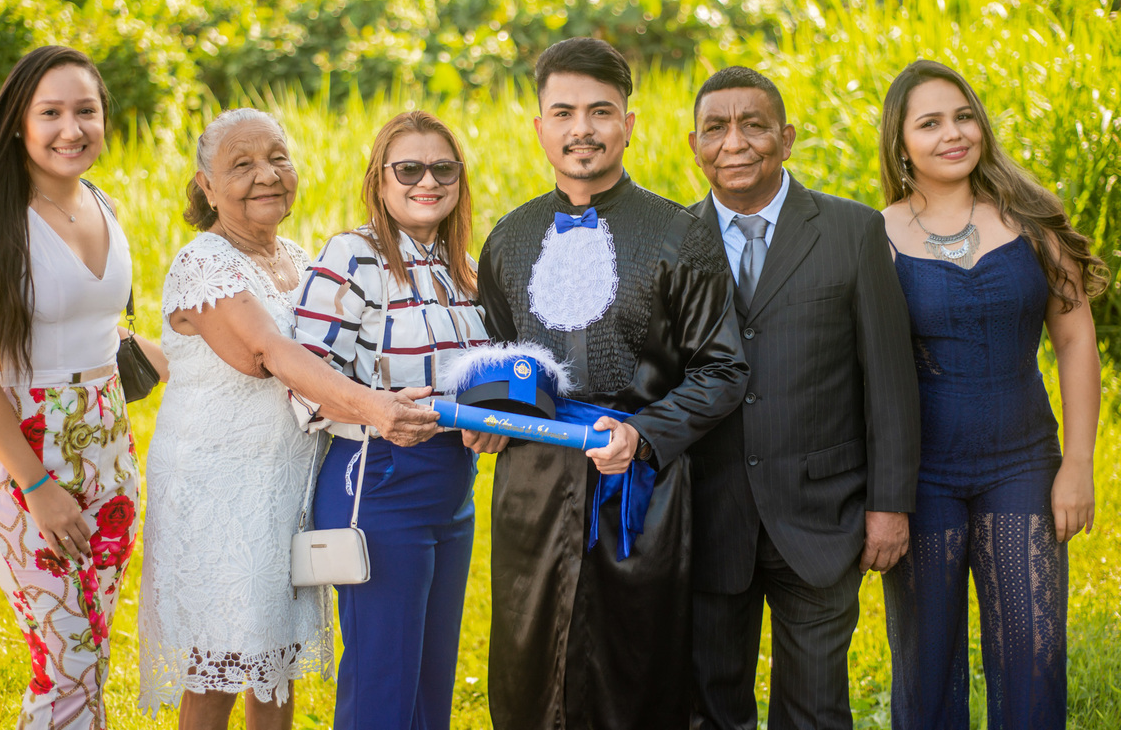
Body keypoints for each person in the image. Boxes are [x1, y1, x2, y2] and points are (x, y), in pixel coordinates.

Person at [464, 37, 749, 729]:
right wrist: (485, 412)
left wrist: (643, 434)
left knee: (637, 663)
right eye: (562, 112)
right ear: (539, 126)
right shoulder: (509, 237)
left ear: (628, 123)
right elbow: (501, 352)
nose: (581, 129)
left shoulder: (681, 234)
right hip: (530, 487)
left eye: (600, 111)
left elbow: (723, 367)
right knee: (527, 660)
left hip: (641, 488)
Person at [136, 108, 439, 729]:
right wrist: (374, 408)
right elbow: (267, 354)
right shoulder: (204, 262)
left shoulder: (299, 259)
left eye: (277, 157)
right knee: (219, 665)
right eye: (241, 165)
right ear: (206, 185)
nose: (266, 175)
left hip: (287, 484)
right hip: (217, 487)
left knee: (277, 663)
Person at [687, 66, 921, 729]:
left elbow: (890, 379)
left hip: (824, 516)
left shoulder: (852, 232)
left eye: (753, 125)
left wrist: (889, 504)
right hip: (711, 518)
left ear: (785, 139)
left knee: (816, 709)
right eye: (715, 128)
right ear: (695, 146)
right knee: (710, 702)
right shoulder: (674, 242)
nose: (734, 142)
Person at [877, 60, 1107, 729]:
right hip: (923, 479)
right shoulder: (876, 236)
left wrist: (1079, 461)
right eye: (931, 122)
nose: (954, 133)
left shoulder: (1031, 221)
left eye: (964, 115)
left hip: (1023, 467)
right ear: (901, 142)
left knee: (1033, 658)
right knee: (925, 670)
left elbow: (1074, 341)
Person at [0, 45, 167, 728]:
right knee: (63, 669)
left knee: (89, 664)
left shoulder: (101, 202)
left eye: (86, 111)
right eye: (51, 113)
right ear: (18, 123)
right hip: (30, 464)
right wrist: (39, 487)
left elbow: (110, 336)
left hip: (111, 458)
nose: (72, 128)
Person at [294, 110, 490, 729]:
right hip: (377, 478)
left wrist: (488, 414)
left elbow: (479, 372)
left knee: (433, 678)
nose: (425, 180)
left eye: (442, 168)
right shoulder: (355, 256)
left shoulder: (463, 272)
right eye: (408, 168)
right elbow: (302, 371)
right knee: (383, 677)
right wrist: (375, 407)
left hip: (452, 484)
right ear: (380, 179)